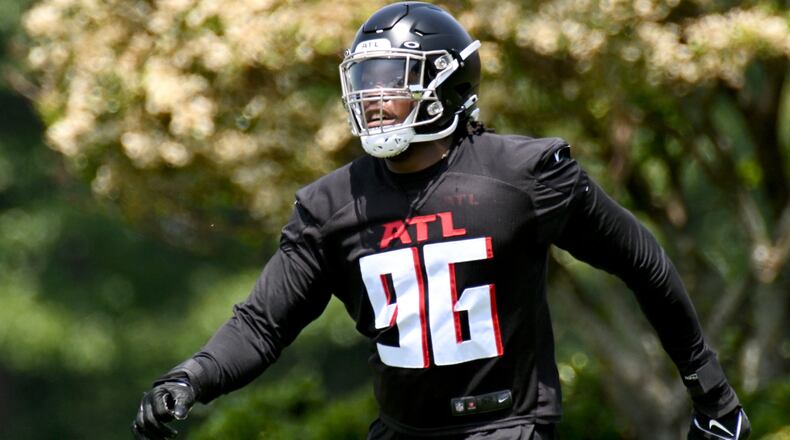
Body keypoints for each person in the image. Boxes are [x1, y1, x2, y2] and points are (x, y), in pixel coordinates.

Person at [132, 3, 751, 439]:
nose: (375, 100)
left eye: (393, 83)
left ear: (446, 86)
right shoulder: (331, 205)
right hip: (403, 430)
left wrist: (712, 393)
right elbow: (263, 323)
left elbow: (640, 259)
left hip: (508, 425)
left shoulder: (523, 175)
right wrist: (192, 378)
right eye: (366, 84)